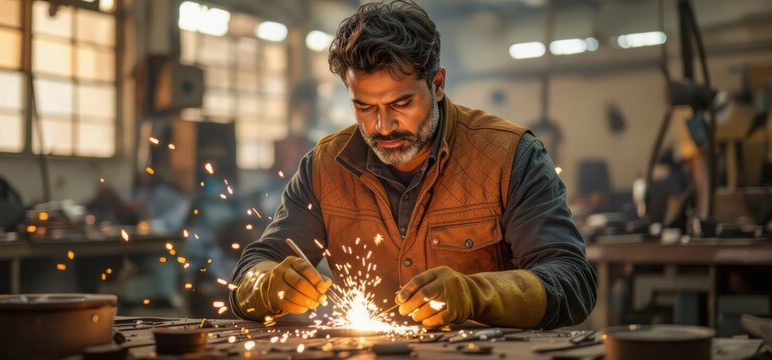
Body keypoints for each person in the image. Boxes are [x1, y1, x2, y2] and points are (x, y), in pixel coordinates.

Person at [230, 0, 597, 329]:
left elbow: (572, 281)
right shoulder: (325, 166)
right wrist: (266, 284)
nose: (382, 126)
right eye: (364, 107)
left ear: (437, 84)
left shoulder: (510, 155)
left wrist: (475, 295)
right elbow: (254, 266)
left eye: (401, 105)